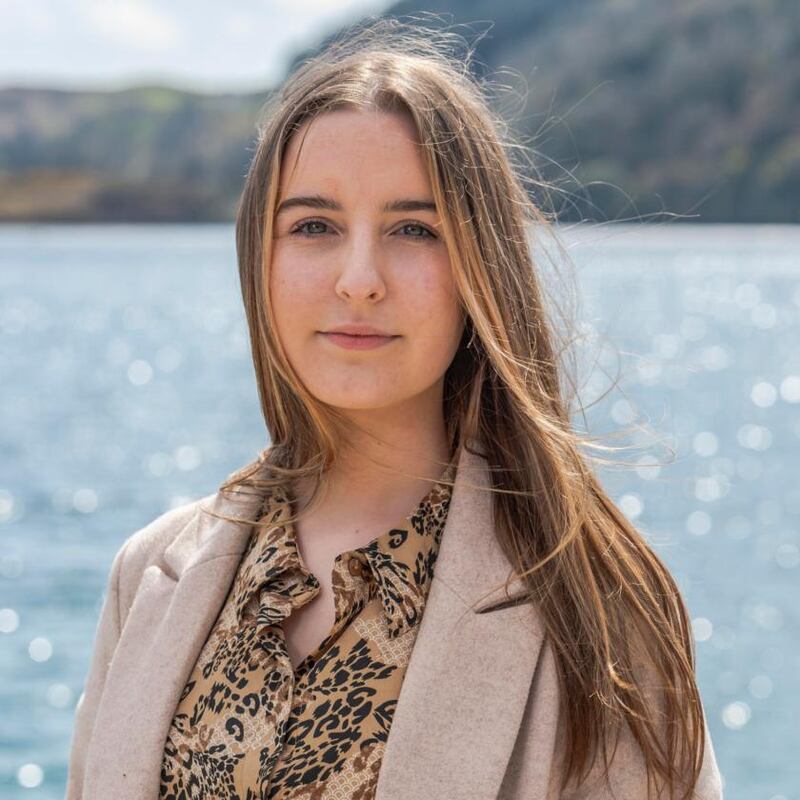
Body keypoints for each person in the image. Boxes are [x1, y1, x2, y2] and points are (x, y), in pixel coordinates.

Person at [65, 16, 723, 800]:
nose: (360, 278)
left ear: (481, 265)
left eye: (415, 229)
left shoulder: (598, 606)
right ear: (259, 259)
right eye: (314, 226)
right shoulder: (148, 575)